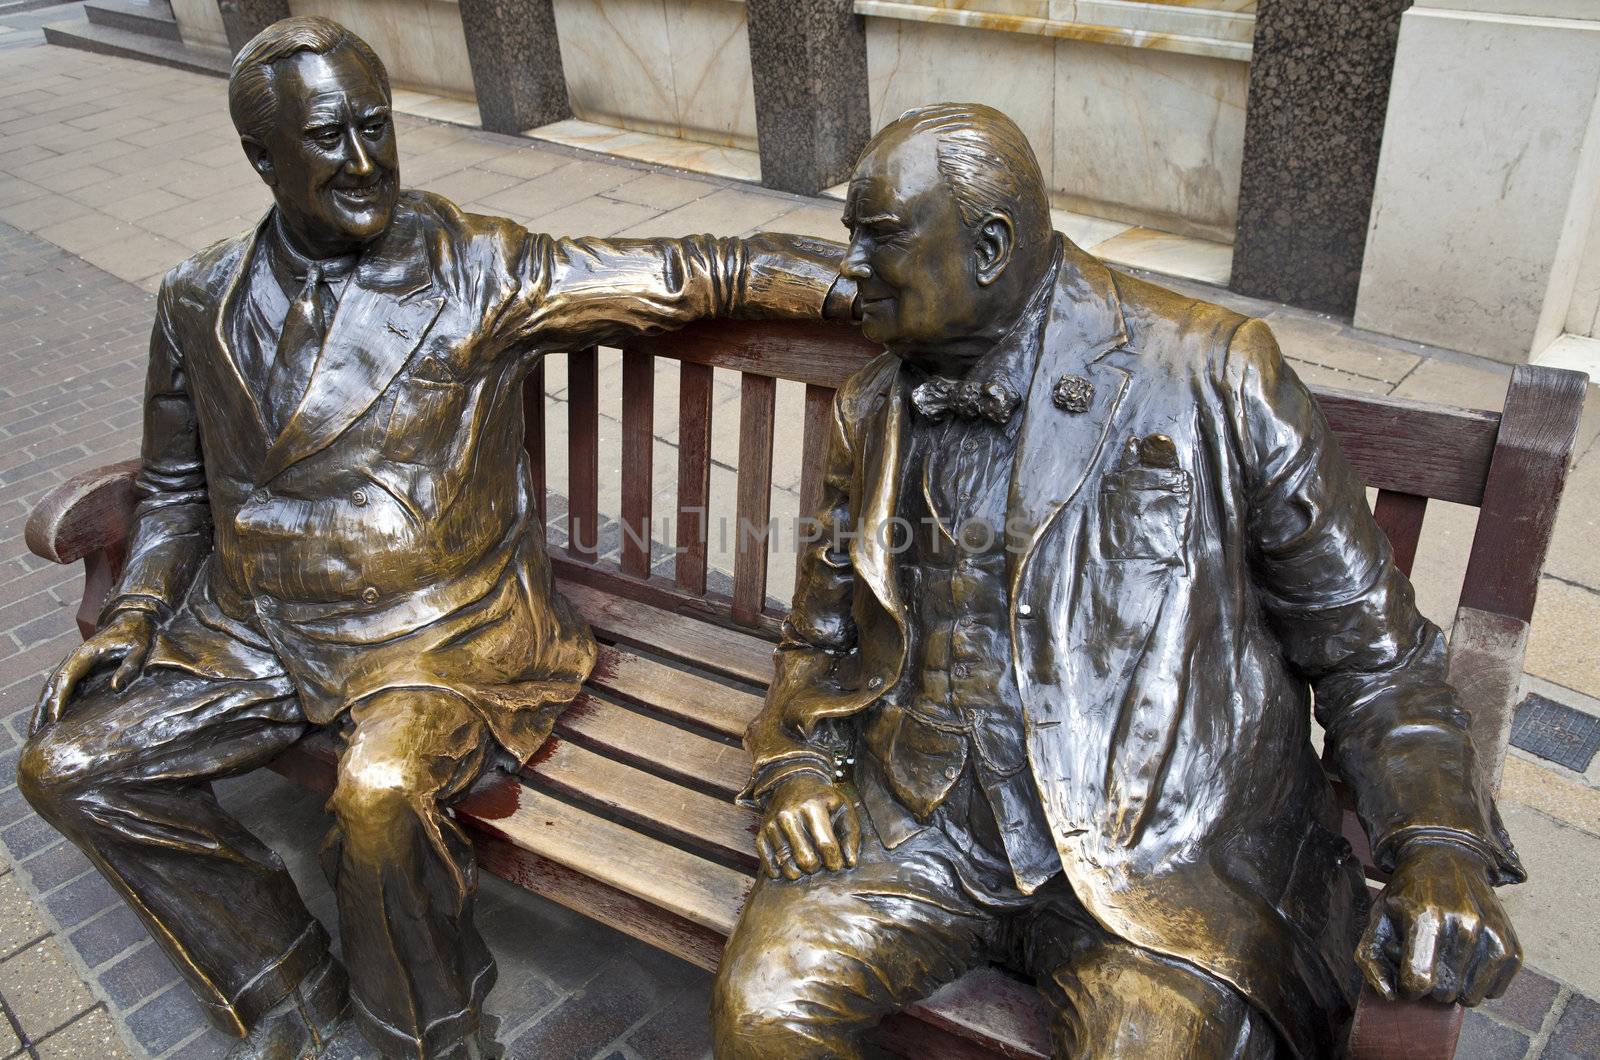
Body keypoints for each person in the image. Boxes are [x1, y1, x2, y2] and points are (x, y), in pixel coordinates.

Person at [16, 16, 851, 1060]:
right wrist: (137, 611)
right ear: (259, 155)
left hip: (444, 634)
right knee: (69, 765)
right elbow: (180, 488)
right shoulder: (199, 297)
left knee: (378, 792)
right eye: (329, 138)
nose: (365, 161)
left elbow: (689, 268)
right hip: (257, 627)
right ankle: (283, 980)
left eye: (377, 126)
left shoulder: (476, 266)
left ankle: (434, 1032)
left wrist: (867, 277)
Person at [711, 103, 1523, 1059]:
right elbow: (821, 638)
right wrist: (800, 768)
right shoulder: (872, 408)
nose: (848, 271)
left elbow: (1371, 652)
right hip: (914, 826)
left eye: (877, 240)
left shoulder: (1213, 372)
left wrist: (1439, 847)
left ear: (989, 246)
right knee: (762, 1011)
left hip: (1157, 857)